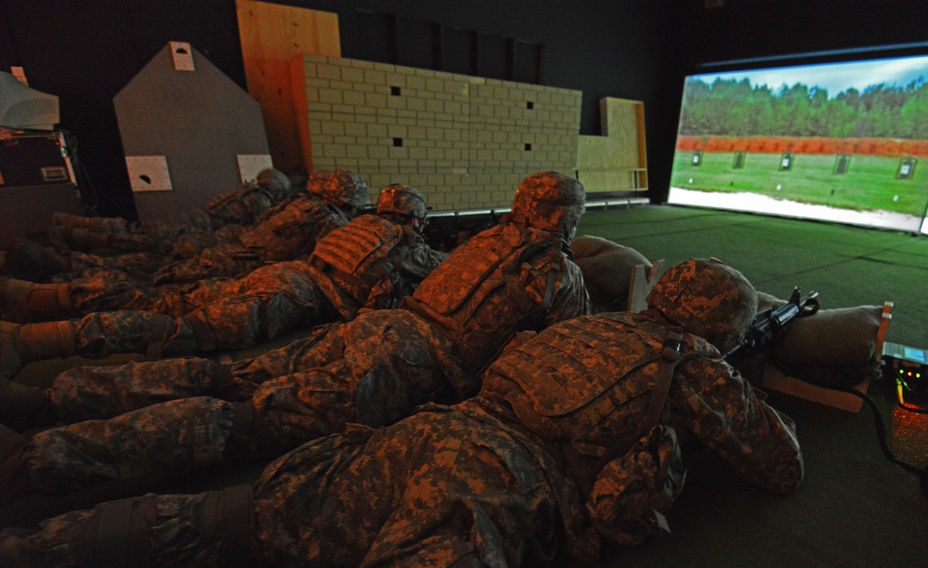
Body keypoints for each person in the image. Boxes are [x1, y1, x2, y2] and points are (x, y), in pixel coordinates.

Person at [0, 257, 802, 568]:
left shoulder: (581, 323)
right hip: (483, 483)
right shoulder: (691, 363)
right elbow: (777, 464)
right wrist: (731, 382)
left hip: (420, 433)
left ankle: (30, 563)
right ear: (721, 328)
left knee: (233, 517)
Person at [0, 171, 590, 513]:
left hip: (366, 331)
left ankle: (49, 403)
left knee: (221, 377)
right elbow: (562, 355)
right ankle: (40, 462)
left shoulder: (481, 242)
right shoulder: (557, 272)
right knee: (239, 422)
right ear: (567, 217)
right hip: (396, 365)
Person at [0, 185, 445, 369]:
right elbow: (444, 269)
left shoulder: (353, 226)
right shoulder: (407, 245)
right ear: (415, 218)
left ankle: (39, 300)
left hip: (278, 274)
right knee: (181, 330)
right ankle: (30, 341)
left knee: (163, 301)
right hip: (286, 298)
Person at [0, 170, 369, 324]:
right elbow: (321, 266)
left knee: (144, 264)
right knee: (154, 290)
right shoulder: (328, 220)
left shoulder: (296, 202)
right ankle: (51, 288)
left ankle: (56, 267)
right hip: (237, 266)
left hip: (223, 247)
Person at [2, 168, 295, 282]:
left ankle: (72, 232)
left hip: (192, 226)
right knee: (137, 259)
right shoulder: (261, 204)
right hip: (197, 239)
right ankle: (66, 255)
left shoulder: (246, 189)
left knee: (134, 235)